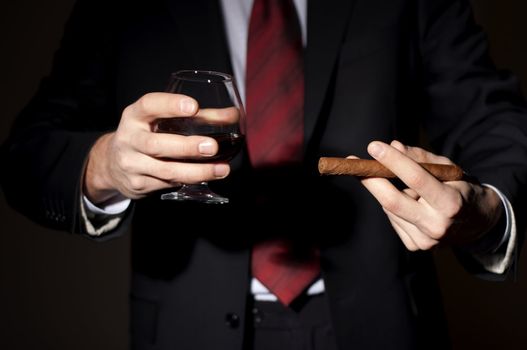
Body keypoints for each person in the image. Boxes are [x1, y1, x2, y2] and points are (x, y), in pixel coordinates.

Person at [2, 0, 526, 349]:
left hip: (381, 325)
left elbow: (490, 115)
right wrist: (106, 164)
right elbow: (28, 155)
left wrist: (487, 211)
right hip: (187, 330)